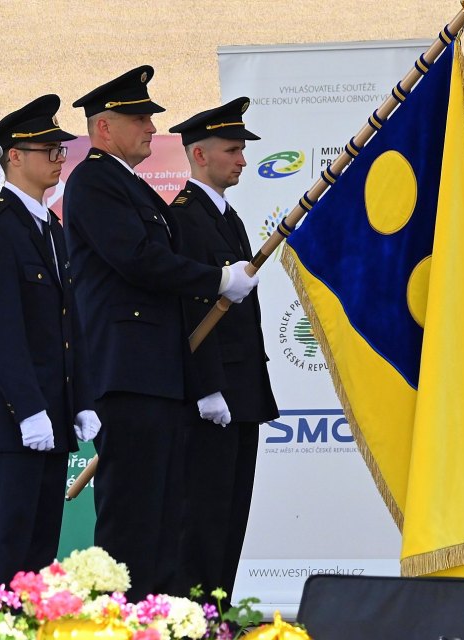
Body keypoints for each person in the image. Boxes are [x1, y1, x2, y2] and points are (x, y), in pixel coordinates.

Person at [64, 66, 259, 600]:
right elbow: (138, 259)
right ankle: (116, 621)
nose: (152, 127)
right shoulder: (94, 181)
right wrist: (216, 279)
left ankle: (156, 618)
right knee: (131, 515)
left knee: (164, 516)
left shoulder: (131, 185)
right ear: (104, 128)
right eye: (139, 118)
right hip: (128, 371)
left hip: (158, 372)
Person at [0, 94, 100, 585]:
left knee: (39, 553)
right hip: (15, 421)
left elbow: (68, 324)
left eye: (62, 150)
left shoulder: (51, 227)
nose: (60, 158)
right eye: (50, 150)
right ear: (15, 156)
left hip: (52, 417)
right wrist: (28, 409)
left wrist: (79, 400)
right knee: (6, 549)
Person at [167, 98, 279, 602]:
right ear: (199, 154)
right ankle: (192, 618)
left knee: (232, 517)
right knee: (203, 520)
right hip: (212, 396)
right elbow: (190, 310)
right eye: (232, 150)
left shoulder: (226, 217)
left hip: (241, 390)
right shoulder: (184, 218)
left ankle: (216, 613)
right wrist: (207, 387)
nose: (242, 160)